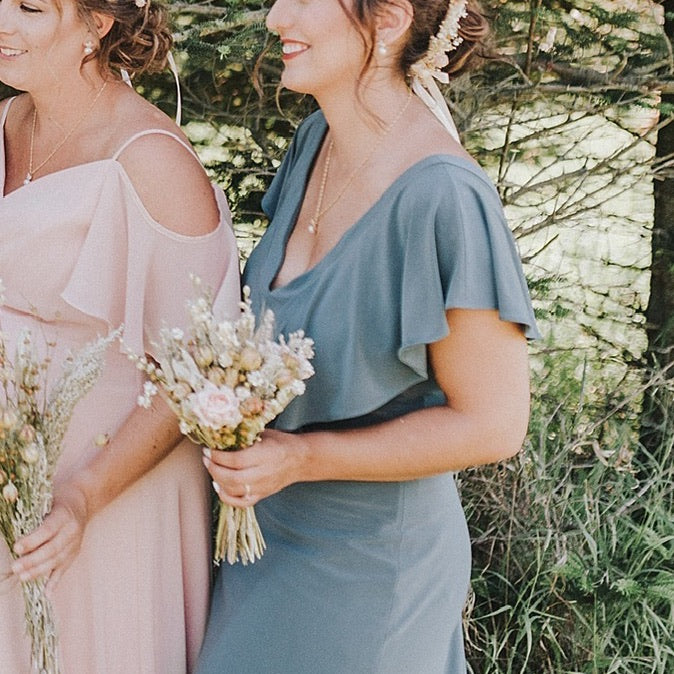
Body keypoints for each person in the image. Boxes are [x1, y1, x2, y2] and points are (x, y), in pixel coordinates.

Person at [197, 0, 539, 672]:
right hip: (262, 549)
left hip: (376, 576)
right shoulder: (315, 142)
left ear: (386, 20)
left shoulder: (444, 197)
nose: (273, 18)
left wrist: (300, 458)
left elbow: (495, 425)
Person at [0, 0, 240, 671]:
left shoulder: (154, 163)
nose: (1, 20)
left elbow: (198, 374)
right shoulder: (10, 120)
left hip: (109, 498)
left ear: (97, 22)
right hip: (14, 481)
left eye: (30, 7)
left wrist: (82, 498)